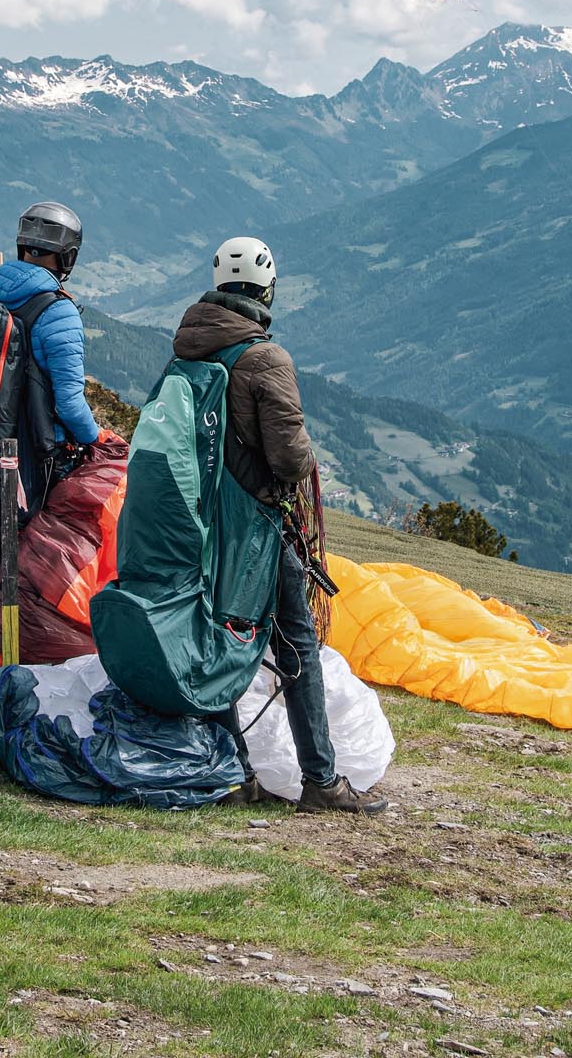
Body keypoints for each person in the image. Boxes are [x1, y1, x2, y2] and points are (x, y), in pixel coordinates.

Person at [174, 236, 384, 815]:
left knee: (218, 640)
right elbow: (291, 460)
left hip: (201, 530)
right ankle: (320, 779)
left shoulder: (186, 355)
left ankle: (234, 769)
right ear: (266, 289)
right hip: (258, 531)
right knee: (298, 646)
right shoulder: (266, 359)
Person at [0, 201, 106, 508]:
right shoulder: (58, 311)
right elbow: (69, 403)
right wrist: (96, 440)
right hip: (38, 450)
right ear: (69, 255)